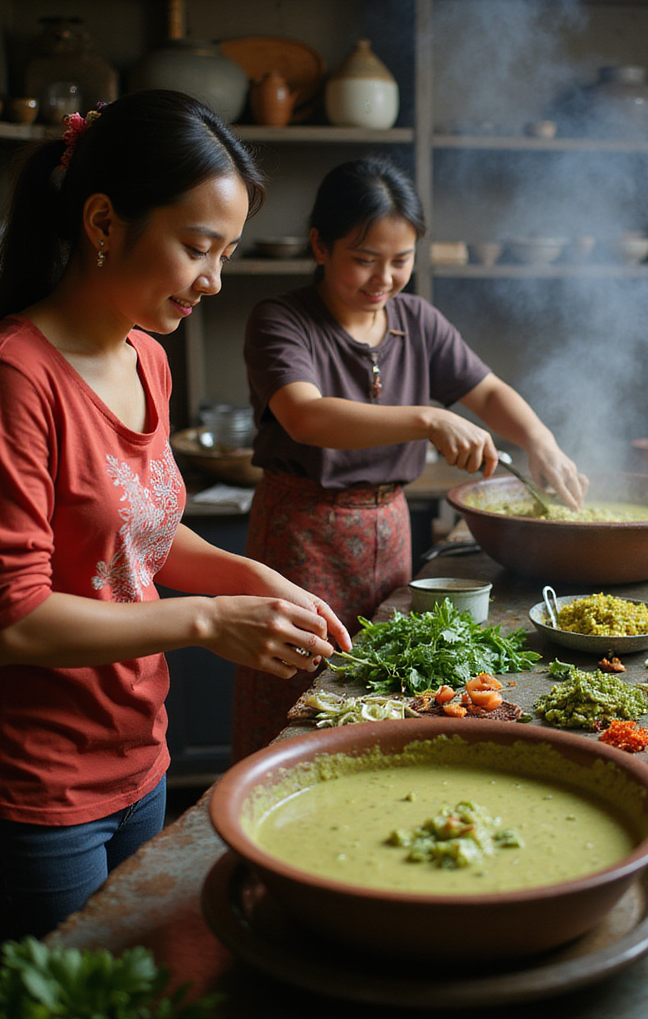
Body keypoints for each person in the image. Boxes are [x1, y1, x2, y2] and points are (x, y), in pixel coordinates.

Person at [0, 90, 351, 970]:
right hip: (37, 790)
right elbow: (10, 620)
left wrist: (258, 581)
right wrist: (211, 623)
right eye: (197, 247)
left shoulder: (146, 356)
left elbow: (143, 529)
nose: (213, 280)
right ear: (104, 219)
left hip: (140, 756)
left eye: (228, 252)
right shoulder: (11, 377)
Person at [232, 156, 587, 760]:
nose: (384, 278)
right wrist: (428, 417)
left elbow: (489, 391)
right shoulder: (282, 320)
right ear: (319, 244)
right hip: (302, 532)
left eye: (401, 260)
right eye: (365, 259)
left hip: (390, 528)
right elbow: (305, 415)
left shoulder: (417, 320)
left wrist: (540, 439)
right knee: (296, 692)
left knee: (389, 685)